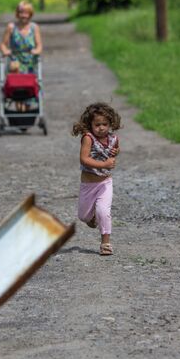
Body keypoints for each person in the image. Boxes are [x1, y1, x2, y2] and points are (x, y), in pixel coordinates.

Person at [71, 102, 122, 256]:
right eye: (97, 124)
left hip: (105, 183)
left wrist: (116, 152)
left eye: (105, 124)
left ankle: (105, 243)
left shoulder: (113, 138)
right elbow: (84, 159)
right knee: (83, 216)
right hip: (88, 184)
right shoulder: (88, 138)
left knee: (103, 211)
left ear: (111, 123)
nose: (101, 128)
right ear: (90, 124)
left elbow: (113, 151)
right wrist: (104, 163)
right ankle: (91, 218)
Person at [0, 1, 43, 75]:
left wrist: (37, 51)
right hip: (14, 61)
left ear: (30, 14)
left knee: (32, 82)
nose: (23, 15)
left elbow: (39, 45)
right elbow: (3, 44)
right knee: (14, 81)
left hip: (30, 61)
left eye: (26, 13)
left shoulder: (34, 27)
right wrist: (5, 51)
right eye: (21, 12)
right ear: (17, 14)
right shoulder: (11, 27)